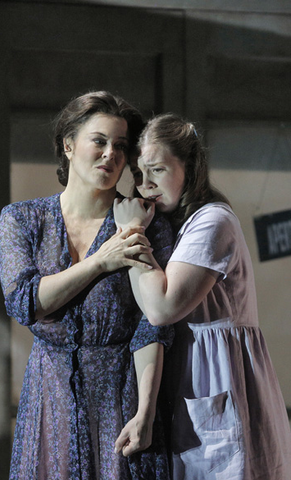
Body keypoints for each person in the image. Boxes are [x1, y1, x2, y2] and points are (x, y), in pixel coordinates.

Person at [0, 92, 175, 480]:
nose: (111, 154)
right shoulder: (22, 219)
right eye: (99, 140)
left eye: (121, 146)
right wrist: (100, 261)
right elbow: (24, 302)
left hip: (120, 400)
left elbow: (154, 323)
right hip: (49, 399)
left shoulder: (146, 222)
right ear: (68, 145)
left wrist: (145, 413)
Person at [114, 113, 291, 479]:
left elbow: (161, 308)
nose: (145, 184)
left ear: (190, 167)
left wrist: (129, 230)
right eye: (137, 173)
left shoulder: (213, 220)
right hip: (187, 377)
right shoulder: (167, 224)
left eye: (158, 170)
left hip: (216, 375)